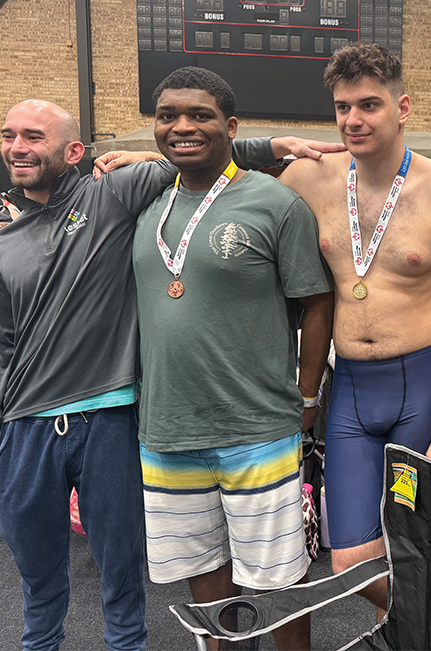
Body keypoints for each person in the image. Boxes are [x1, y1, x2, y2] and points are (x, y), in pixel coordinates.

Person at [0, 96, 341, 651]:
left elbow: (196, 148)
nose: (18, 146)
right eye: (9, 134)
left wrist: (274, 145)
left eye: (34, 136)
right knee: (44, 576)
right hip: (82, 426)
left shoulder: (112, 196)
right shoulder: (19, 237)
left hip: (126, 416)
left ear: (75, 150)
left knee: (136, 576)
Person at [279, 43, 431, 613]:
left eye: (369, 104)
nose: (353, 119)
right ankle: (428, 626)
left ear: (403, 108)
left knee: (415, 543)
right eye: (343, 107)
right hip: (347, 386)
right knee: (351, 557)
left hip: (424, 385)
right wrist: (152, 170)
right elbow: (231, 190)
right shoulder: (308, 177)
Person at [132, 67, 334, 651]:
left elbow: (316, 303)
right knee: (203, 570)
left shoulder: (275, 203)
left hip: (258, 425)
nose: (182, 126)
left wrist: (307, 394)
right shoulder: (146, 204)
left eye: (200, 115)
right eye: (168, 115)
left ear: (231, 127)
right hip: (169, 427)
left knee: (278, 575)